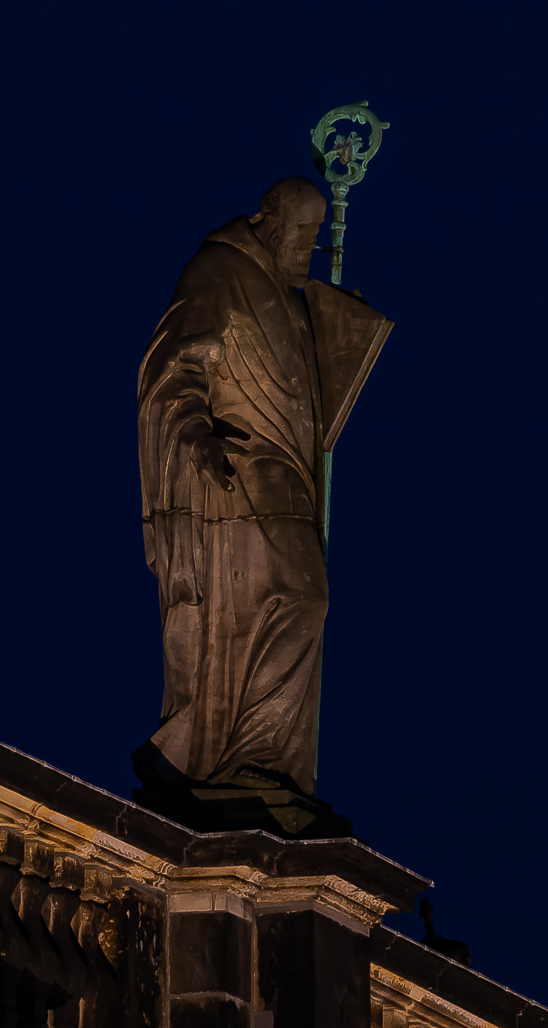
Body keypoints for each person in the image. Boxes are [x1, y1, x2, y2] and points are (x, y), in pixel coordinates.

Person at [137, 178, 388, 794]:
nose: (310, 247)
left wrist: (339, 336)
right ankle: (242, 753)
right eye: (302, 233)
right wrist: (195, 435)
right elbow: (173, 367)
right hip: (237, 472)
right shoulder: (218, 272)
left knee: (294, 602)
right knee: (299, 598)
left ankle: (266, 760)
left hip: (291, 478)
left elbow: (310, 398)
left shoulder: (292, 300)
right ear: (270, 221)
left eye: (317, 235)